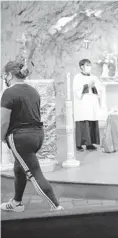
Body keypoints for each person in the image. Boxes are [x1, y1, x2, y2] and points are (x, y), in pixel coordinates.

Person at [1, 61, 63, 212]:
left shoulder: (9, 92)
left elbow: (3, 121)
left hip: (20, 138)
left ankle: (57, 208)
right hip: (37, 136)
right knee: (19, 167)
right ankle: (17, 203)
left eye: (5, 75)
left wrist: (2, 137)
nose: (5, 78)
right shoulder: (33, 91)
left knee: (34, 174)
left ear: (10, 75)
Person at [73, 59, 102, 151]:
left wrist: (94, 87)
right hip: (82, 103)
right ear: (81, 66)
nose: (89, 67)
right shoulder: (77, 77)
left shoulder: (94, 77)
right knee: (82, 122)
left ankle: (90, 144)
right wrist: (87, 86)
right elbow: (76, 90)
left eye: (90, 65)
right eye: (87, 65)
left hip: (91, 102)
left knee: (91, 122)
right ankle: (79, 144)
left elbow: (100, 89)